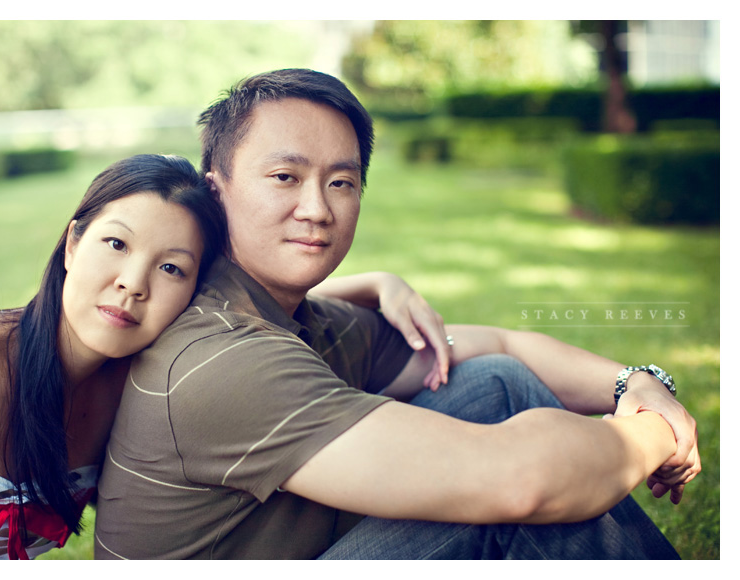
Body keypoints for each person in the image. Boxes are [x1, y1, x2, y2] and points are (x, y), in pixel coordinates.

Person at [93, 69, 701, 560]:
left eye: (342, 182)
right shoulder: (225, 358)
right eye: (285, 176)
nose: (317, 208)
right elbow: (522, 481)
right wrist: (655, 433)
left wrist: (636, 384)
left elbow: (501, 348)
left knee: (495, 382)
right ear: (216, 188)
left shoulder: (295, 317)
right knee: (516, 507)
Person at [0, 152, 442, 560]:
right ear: (73, 244)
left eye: (171, 269)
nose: (132, 284)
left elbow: (246, 311)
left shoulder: (144, 377)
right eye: (116, 245)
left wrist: (378, 283)